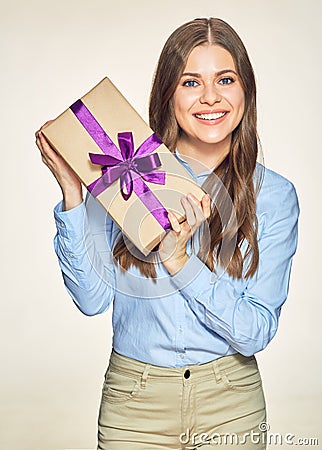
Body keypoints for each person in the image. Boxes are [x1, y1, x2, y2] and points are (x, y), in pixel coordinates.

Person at [35, 17, 299, 450]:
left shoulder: (274, 196)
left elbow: (254, 333)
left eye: (225, 79)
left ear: (245, 90)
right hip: (134, 403)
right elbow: (90, 300)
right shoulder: (125, 172)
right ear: (168, 95)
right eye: (191, 82)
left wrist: (178, 260)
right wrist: (72, 194)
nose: (210, 97)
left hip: (230, 404)